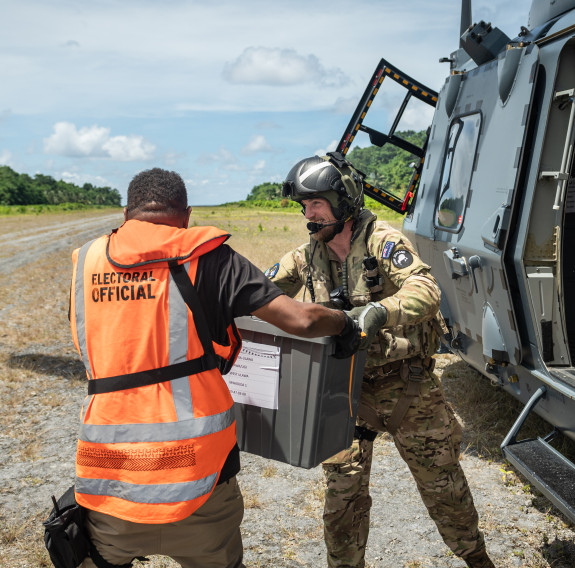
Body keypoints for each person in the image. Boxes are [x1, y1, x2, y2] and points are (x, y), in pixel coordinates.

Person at [68, 167, 361, 568]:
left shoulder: (86, 262)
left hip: (109, 478)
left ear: (125, 215)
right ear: (186, 217)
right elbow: (302, 321)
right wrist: (346, 323)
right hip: (198, 479)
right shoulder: (206, 255)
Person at [267, 153, 495, 568]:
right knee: (343, 498)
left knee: (444, 488)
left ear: (344, 200)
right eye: (305, 206)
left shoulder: (383, 241)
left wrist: (376, 313)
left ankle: (477, 559)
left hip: (405, 384)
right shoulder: (308, 254)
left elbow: (426, 289)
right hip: (345, 389)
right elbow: (260, 289)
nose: (309, 215)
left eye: (316, 203)